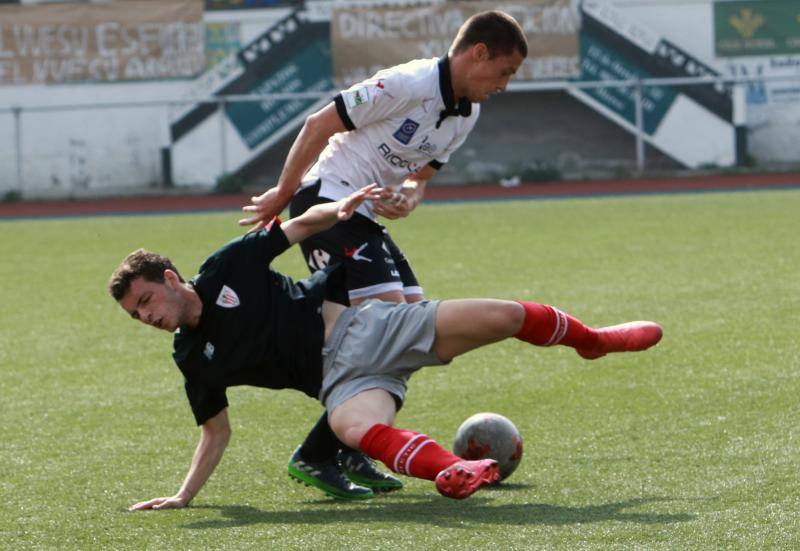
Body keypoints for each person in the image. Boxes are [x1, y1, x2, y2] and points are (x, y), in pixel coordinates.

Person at [109, 185, 663, 510]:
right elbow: (216, 430)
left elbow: (299, 225)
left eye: (147, 300)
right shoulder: (189, 356)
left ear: (172, 278)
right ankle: (455, 470)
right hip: (341, 383)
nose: (147, 317)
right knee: (352, 428)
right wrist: (183, 497)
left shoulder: (227, 267)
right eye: (137, 314)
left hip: (364, 328)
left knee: (504, 315)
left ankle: (593, 341)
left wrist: (341, 208)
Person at [236, 9, 529, 499]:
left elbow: (419, 180)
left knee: (411, 326)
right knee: (394, 326)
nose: (505, 84)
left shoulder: (467, 113)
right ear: (479, 53)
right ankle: (324, 451)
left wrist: (408, 198)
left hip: (365, 217)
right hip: (327, 198)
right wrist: (284, 194)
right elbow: (317, 124)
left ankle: (344, 446)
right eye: (505, 71)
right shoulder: (408, 83)